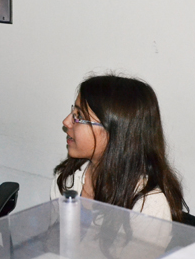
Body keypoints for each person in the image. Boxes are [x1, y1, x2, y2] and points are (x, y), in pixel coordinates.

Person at [50, 74, 185, 222]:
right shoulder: (67, 178)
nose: (66, 122)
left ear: (115, 132)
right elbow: (55, 239)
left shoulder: (148, 205)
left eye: (79, 116)